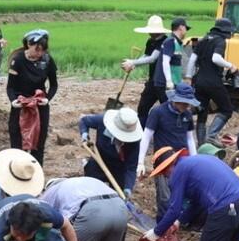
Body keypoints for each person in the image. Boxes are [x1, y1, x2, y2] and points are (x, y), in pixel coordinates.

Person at [139, 83, 200, 214]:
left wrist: (195, 160)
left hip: (182, 160)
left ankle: (179, 221)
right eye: (184, 103)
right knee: (165, 198)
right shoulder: (158, 112)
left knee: (182, 193)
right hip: (164, 161)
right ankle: (162, 225)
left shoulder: (187, 115)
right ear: (175, 99)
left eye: (188, 103)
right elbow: (146, 136)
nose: (186, 106)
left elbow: (190, 139)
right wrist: (140, 162)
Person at [6, 29, 58, 164]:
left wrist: (47, 99)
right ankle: (16, 174)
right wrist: (13, 101)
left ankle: (36, 178)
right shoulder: (17, 60)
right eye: (37, 50)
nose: (39, 54)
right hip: (21, 105)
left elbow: (53, 85)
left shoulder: (47, 60)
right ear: (29, 44)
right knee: (17, 144)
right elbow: (10, 87)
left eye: (43, 51)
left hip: (40, 106)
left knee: (38, 145)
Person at [125, 15, 189, 123]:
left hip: (163, 82)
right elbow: (146, 56)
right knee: (143, 108)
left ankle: (167, 130)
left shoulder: (165, 41)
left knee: (168, 108)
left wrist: (133, 62)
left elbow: (153, 58)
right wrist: (134, 64)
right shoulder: (150, 41)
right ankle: (142, 133)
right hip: (152, 81)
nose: (150, 33)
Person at [187, 18, 239, 143]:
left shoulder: (203, 39)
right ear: (226, 31)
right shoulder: (220, 41)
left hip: (199, 81)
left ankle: (201, 143)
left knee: (202, 111)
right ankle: (211, 135)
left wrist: (189, 77)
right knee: (227, 109)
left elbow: (192, 60)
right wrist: (231, 65)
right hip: (213, 82)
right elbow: (216, 58)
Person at [80, 107, 144, 194]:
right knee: (91, 191)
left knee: (118, 197)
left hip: (119, 167)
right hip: (99, 160)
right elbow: (84, 121)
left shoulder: (134, 142)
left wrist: (128, 187)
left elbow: (131, 167)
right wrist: (84, 134)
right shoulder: (102, 121)